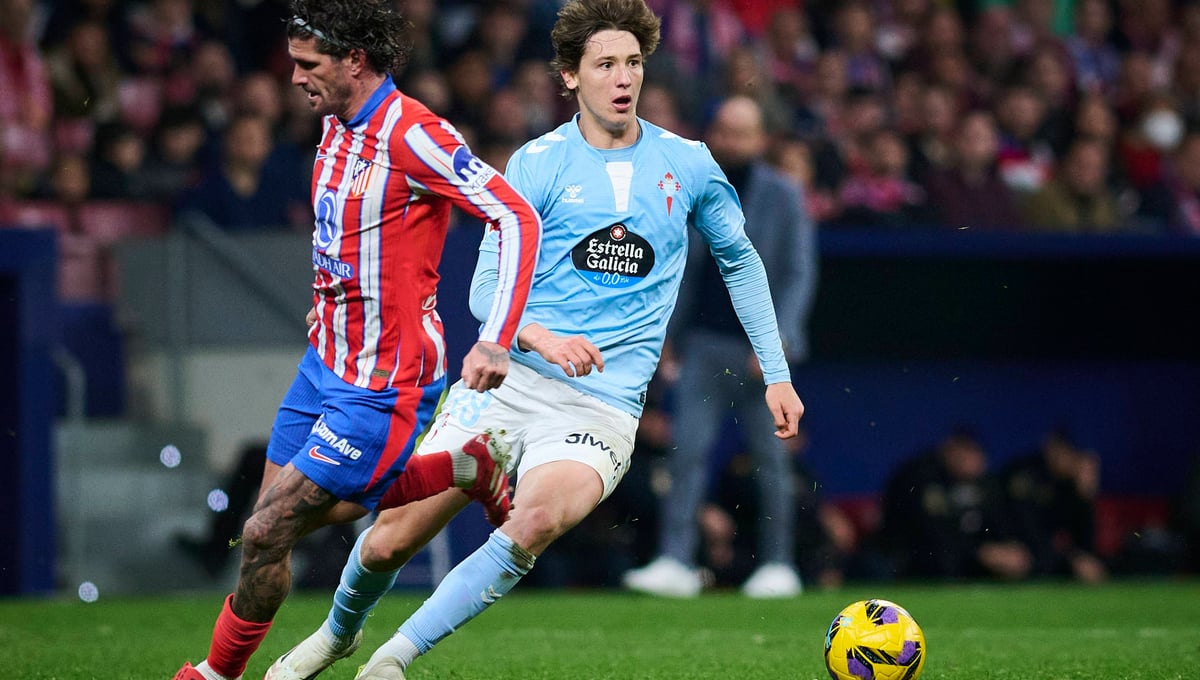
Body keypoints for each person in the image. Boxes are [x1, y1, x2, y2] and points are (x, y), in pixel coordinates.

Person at [264, 1, 804, 678]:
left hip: (602, 406)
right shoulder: (538, 162)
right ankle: (337, 634)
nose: (623, 78)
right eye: (604, 64)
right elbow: (485, 289)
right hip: (510, 382)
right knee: (386, 543)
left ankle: (395, 658)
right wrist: (540, 338)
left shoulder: (689, 164)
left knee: (536, 520)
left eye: (633, 63)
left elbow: (741, 261)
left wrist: (777, 372)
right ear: (570, 75)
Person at [171, 0, 545, 678]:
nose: (294, 77)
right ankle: (465, 468)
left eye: (307, 64)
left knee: (268, 526)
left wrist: (495, 338)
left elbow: (517, 217)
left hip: (385, 379)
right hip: (324, 361)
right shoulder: (334, 125)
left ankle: (215, 674)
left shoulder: (415, 134)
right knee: (267, 534)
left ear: (354, 60)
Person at [621, 94, 816, 599]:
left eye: (742, 132)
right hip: (703, 344)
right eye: (725, 130)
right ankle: (676, 560)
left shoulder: (784, 194)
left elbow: (798, 273)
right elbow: (679, 265)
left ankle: (778, 564)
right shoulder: (696, 185)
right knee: (686, 454)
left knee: (771, 460)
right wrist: (667, 335)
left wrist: (778, 341)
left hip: (760, 349)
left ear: (761, 139)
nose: (731, 141)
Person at [876, 427, 1032, 581]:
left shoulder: (986, 483)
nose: (969, 460)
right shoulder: (920, 477)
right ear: (948, 451)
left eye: (974, 452)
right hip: (916, 561)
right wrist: (980, 552)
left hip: (970, 560)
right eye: (963, 452)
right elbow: (933, 535)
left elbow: (1000, 521)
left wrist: (1007, 548)